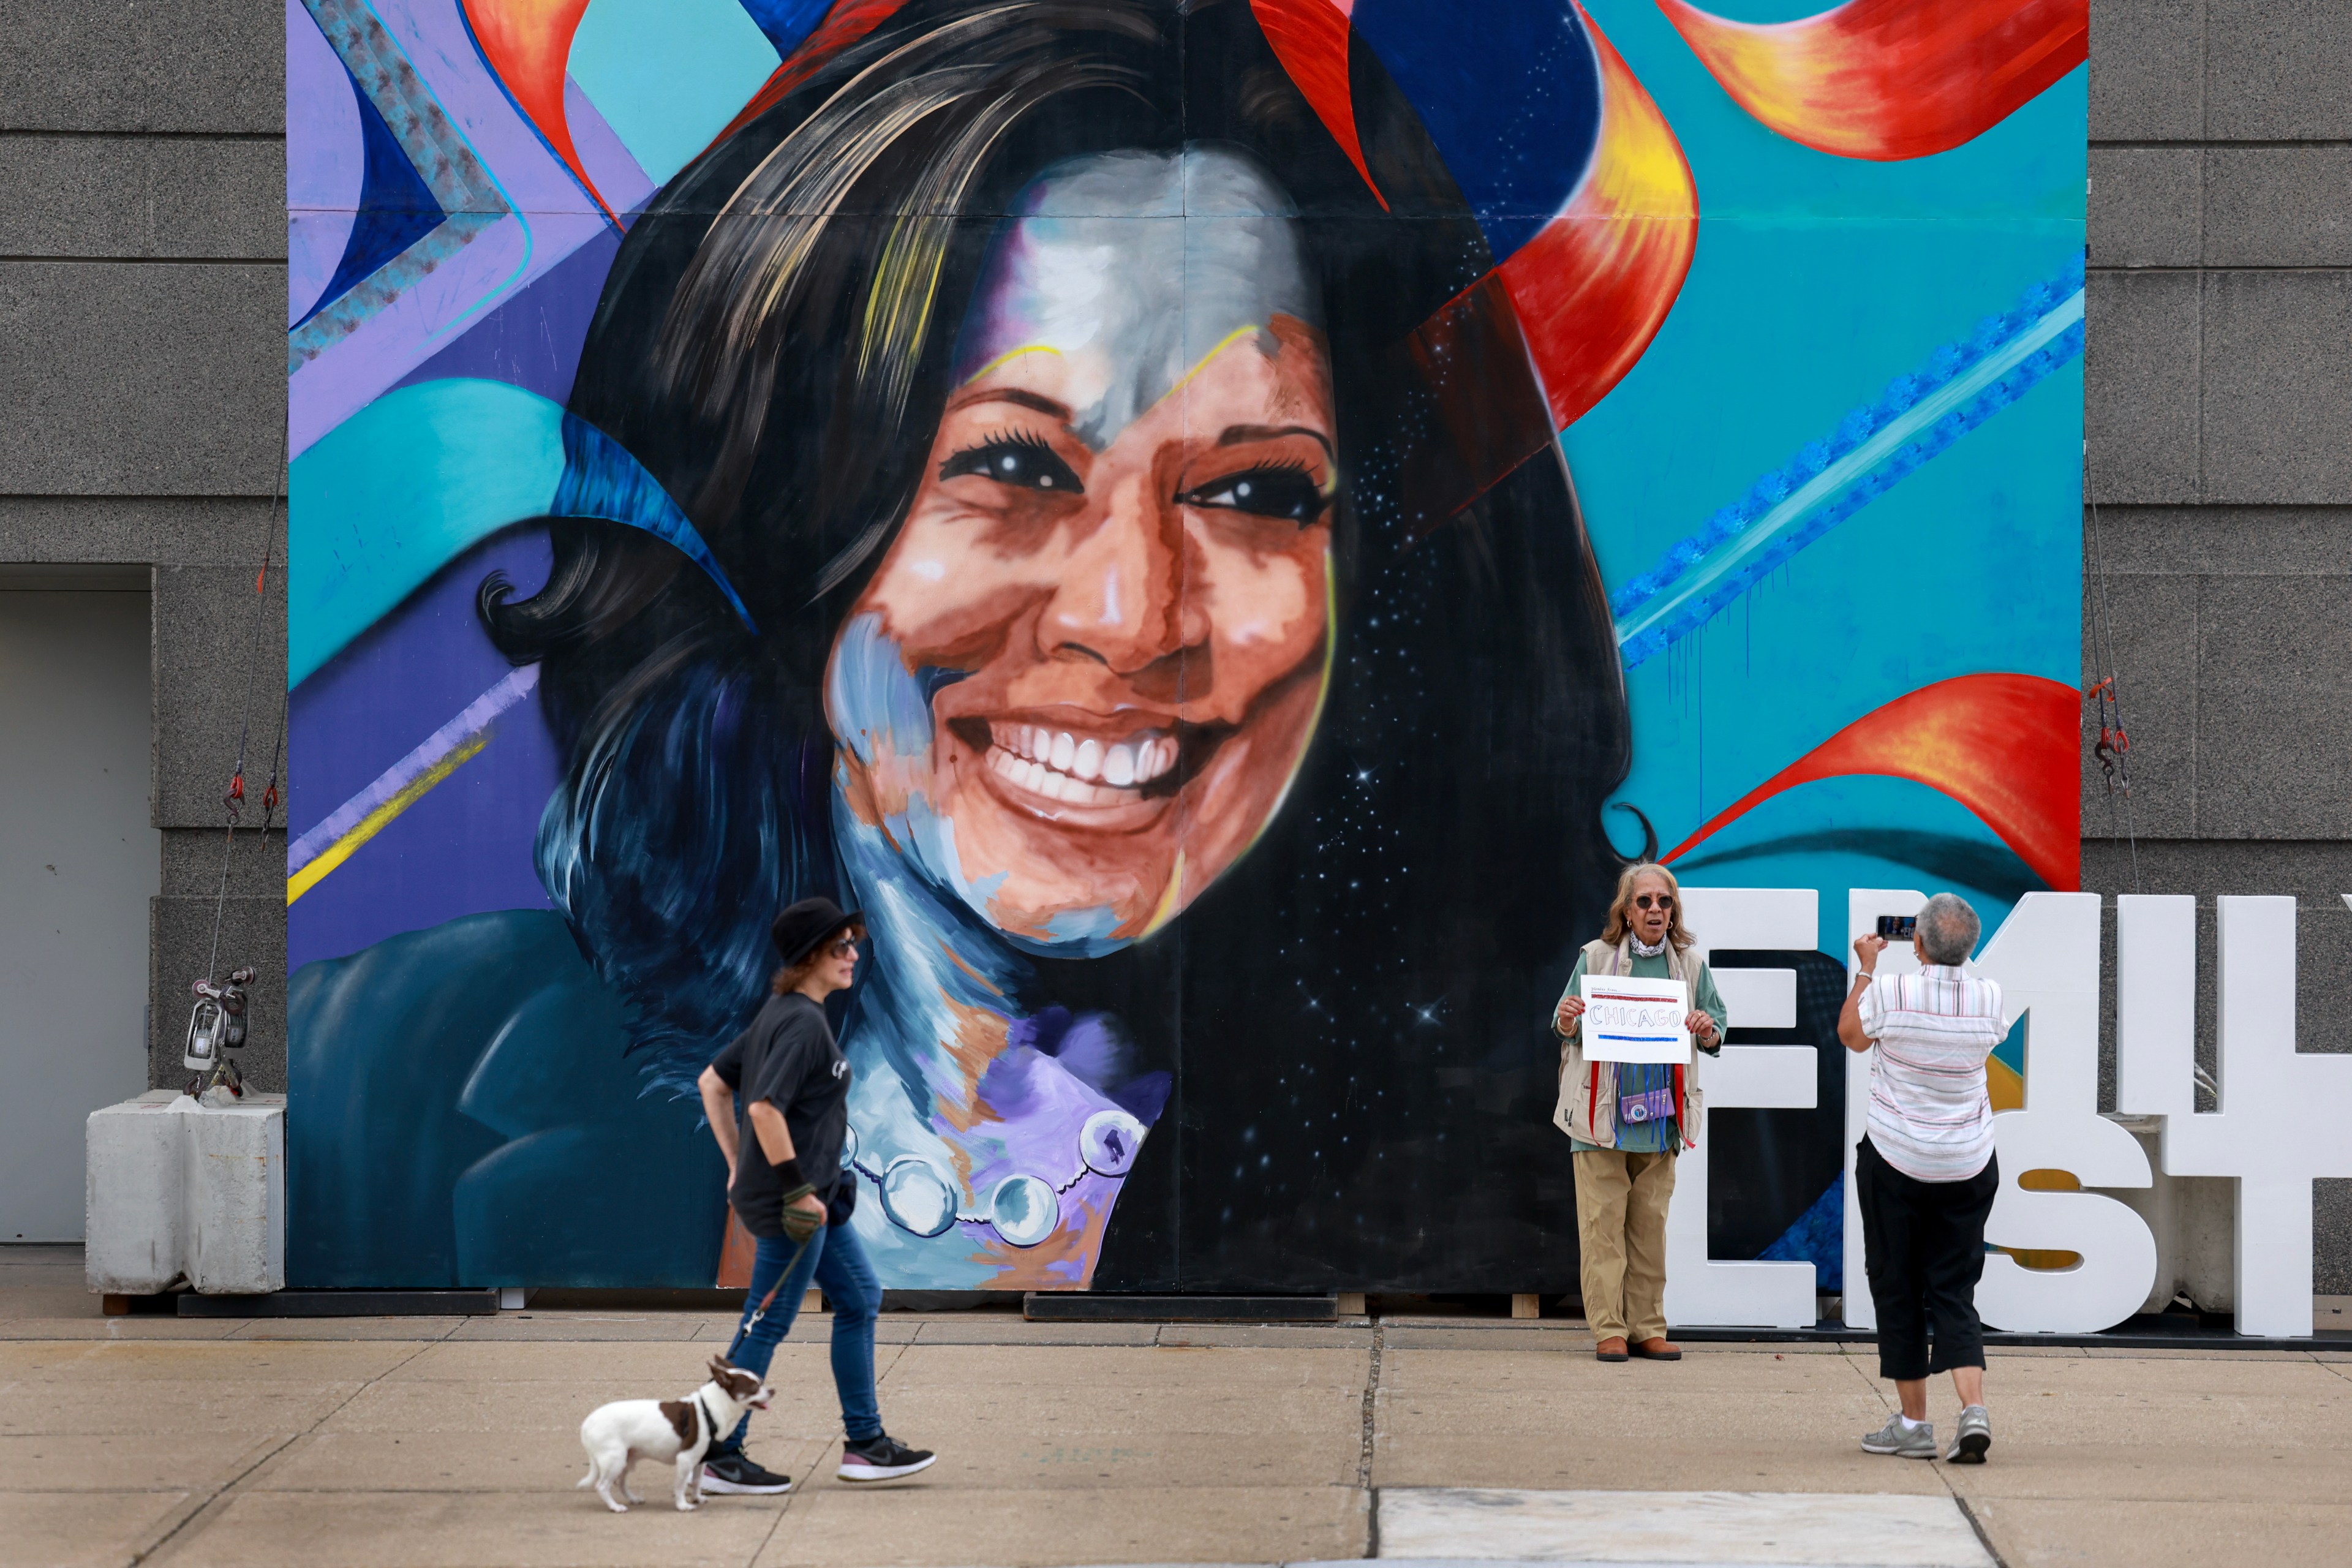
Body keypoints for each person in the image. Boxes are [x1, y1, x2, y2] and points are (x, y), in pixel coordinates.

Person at [288, 0, 1636, 1296]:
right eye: (1015, 465)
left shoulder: (1489, 1149)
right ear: (788, 521)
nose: (1131, 613)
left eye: (1258, 493)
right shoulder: (368, 1070)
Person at [693, 897, 938, 1493]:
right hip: (796, 1206)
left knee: (858, 1297)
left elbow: (712, 1082)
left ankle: (865, 1443)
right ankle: (721, 1452)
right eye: (840, 946)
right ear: (808, 957)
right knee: (769, 1321)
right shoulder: (799, 1022)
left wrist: (736, 1165)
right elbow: (761, 1107)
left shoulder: (785, 1011)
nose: (853, 953)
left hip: (816, 1199)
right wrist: (793, 1189)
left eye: (853, 943)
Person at [1839, 892, 2003, 1464]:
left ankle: (1913, 1423)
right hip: (1968, 1162)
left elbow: (1851, 1036)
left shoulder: (1890, 991)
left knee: (1898, 1286)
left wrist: (1865, 967)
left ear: (1916, 942)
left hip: (1895, 1160)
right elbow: (1972, 999)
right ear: (1972, 947)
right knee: (1955, 1291)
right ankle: (1974, 1408)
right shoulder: (1990, 998)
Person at [1551, 862, 1726, 1363]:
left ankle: (1647, 1327)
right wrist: (1567, 1018)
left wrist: (1706, 1027)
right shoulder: (1596, 958)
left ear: (1674, 912)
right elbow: (1566, 1024)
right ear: (1626, 910)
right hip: (1600, 1121)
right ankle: (1609, 1329)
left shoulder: (1690, 966)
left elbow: (1716, 1029)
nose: (1655, 909)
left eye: (1664, 902)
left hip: (1659, 1120)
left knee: (1649, 1232)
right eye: (1645, 901)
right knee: (1602, 1230)